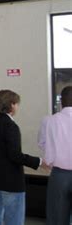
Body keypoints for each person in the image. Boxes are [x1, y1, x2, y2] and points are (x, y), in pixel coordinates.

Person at [0, 90, 42, 225]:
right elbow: (15, 155)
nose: (17, 107)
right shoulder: (11, 126)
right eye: (17, 104)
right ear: (12, 105)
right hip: (11, 182)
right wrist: (38, 161)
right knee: (14, 217)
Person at [38, 86, 72, 225]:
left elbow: (41, 143)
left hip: (59, 175)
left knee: (57, 217)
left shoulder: (49, 120)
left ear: (61, 101)